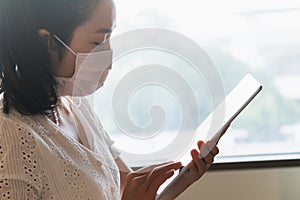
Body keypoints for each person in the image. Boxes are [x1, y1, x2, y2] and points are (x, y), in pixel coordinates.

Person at [0, 0, 227, 199]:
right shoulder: (11, 133)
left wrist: (183, 178)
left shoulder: (76, 105)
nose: (109, 57)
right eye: (98, 41)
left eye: (110, 38)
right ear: (48, 41)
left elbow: (124, 188)